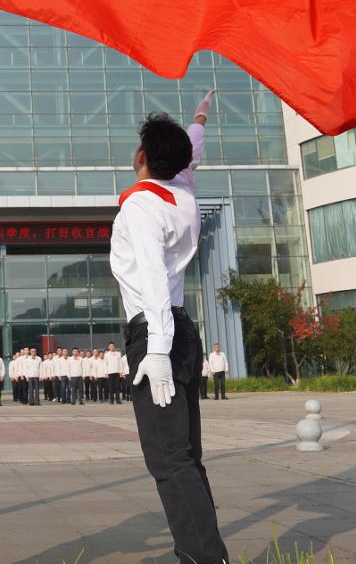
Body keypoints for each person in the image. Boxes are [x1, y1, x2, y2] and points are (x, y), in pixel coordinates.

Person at [110, 94, 228, 564]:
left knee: (168, 459)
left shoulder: (141, 206)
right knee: (185, 456)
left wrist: (156, 350)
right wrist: (199, 119)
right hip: (181, 328)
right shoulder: (184, 191)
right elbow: (192, 151)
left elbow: (153, 278)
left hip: (155, 330)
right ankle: (203, 552)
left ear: (141, 156)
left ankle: (203, 557)